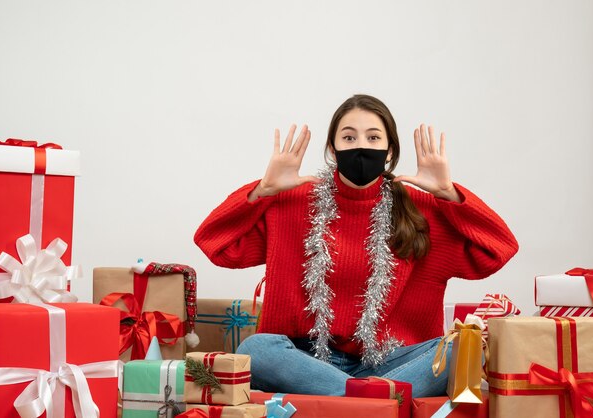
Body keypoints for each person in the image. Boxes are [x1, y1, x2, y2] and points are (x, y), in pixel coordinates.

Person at [194, 94, 518, 397]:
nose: (361, 146)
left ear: (390, 150)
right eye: (349, 137)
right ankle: (374, 400)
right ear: (333, 150)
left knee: (461, 347)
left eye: (373, 138)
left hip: (392, 360)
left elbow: (498, 249)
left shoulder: (422, 210)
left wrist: (450, 194)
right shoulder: (292, 202)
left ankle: (355, 400)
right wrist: (262, 190)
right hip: (308, 359)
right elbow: (215, 244)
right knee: (256, 350)